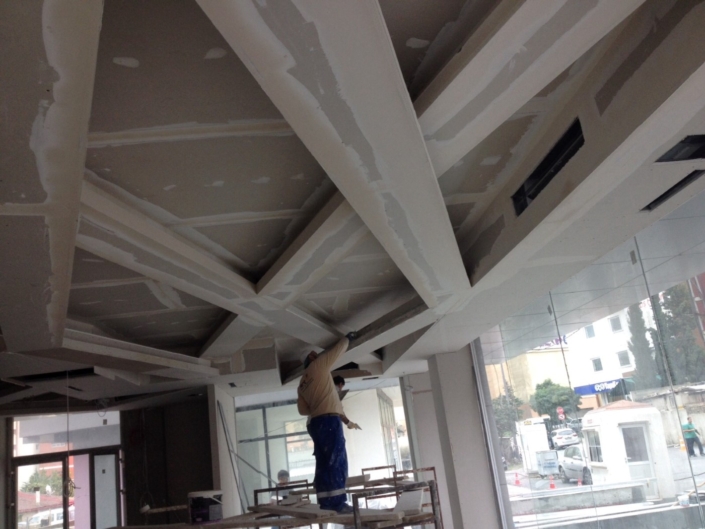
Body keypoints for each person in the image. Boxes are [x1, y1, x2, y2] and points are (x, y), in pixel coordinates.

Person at [297, 333, 360, 513]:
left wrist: (317, 405)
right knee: (337, 460)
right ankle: (338, 503)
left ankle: (325, 501)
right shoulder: (319, 365)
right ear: (312, 358)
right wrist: (347, 339)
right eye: (315, 354)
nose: (317, 355)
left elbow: (302, 410)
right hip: (329, 421)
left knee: (324, 462)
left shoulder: (301, 384)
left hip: (315, 424)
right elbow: (337, 350)